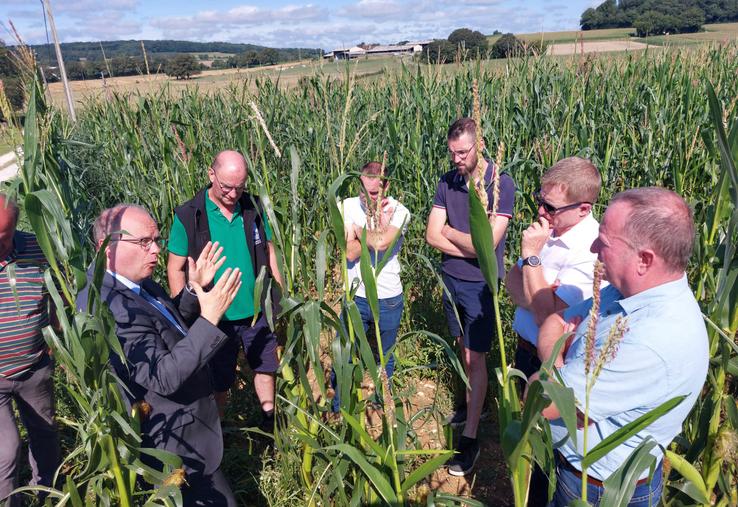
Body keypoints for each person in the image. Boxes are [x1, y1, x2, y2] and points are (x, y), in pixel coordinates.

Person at [536, 187, 709, 506]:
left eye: (604, 241)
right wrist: (557, 358)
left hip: (598, 490)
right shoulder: (626, 293)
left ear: (644, 260)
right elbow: (553, 321)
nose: (592, 246)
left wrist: (556, 360)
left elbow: (540, 400)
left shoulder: (653, 339)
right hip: (577, 471)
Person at [77, 204, 242, 506]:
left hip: (187, 434)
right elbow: (161, 376)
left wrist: (194, 289)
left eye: (156, 240)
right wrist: (210, 319)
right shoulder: (110, 305)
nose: (155, 250)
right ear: (105, 248)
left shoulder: (135, 283)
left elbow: (166, 327)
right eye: (143, 242)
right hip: (172, 445)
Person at [425, 118, 515, 476]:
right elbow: (432, 236)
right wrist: (471, 244)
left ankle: (471, 437)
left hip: (481, 288)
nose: (457, 159)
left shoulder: (500, 184)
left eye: (463, 152)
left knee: (476, 359)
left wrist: (453, 232)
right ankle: (471, 403)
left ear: (479, 145)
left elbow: (489, 243)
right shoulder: (447, 182)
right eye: (452, 153)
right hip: (452, 282)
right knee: (463, 350)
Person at [167, 150, 282, 430]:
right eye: (226, 187)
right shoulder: (189, 215)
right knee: (218, 380)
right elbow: (175, 266)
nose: (233, 194)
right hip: (214, 316)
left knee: (266, 367)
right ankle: (217, 433)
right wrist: (184, 310)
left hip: (256, 309)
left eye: (239, 187)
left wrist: (278, 295)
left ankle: (269, 420)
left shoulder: (253, 207)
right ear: (211, 175)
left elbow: (269, 250)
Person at [505, 157, 602, 380]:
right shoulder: (549, 229)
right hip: (525, 350)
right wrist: (542, 294)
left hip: (552, 365)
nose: (540, 211)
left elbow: (546, 317)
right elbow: (511, 281)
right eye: (540, 199)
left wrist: (530, 257)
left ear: (583, 209)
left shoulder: (590, 250)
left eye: (550, 207)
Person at [332, 161, 410, 411]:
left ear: (386, 186)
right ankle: (339, 406)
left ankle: (381, 408)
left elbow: (382, 243)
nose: (367, 198)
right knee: (343, 353)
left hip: (388, 298)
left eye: (374, 193)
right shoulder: (344, 206)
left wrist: (357, 230)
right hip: (356, 295)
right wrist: (372, 233)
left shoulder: (400, 211)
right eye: (363, 192)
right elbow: (351, 251)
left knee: (384, 357)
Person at [0, 194, 60, 507]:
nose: (4, 248)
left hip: (36, 365)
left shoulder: (36, 246)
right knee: (6, 452)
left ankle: (48, 493)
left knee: (46, 432)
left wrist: (56, 340)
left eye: (6, 237)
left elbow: (55, 293)